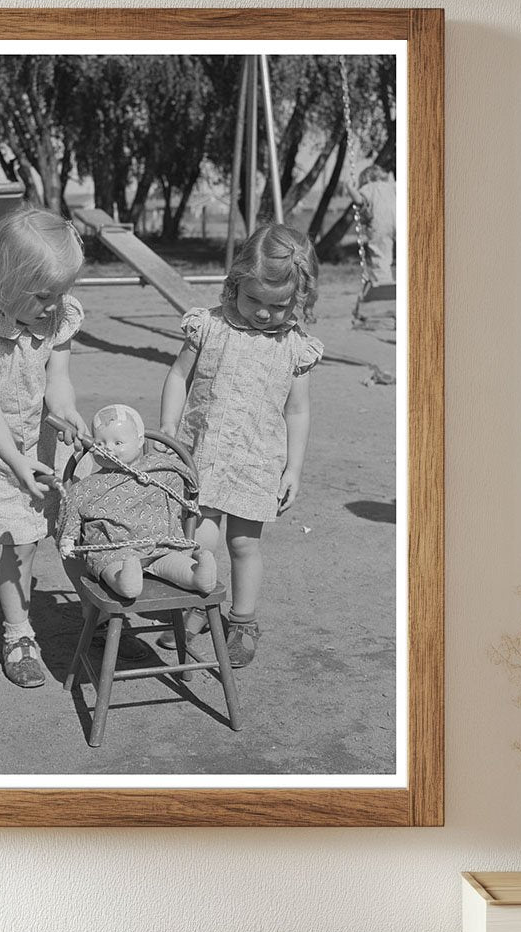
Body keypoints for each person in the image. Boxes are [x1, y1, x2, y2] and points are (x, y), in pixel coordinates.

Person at [158, 224, 324, 668]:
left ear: (299, 299)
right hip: (204, 453)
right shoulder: (208, 326)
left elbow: (298, 411)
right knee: (199, 538)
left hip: (257, 462)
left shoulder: (295, 348)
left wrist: (293, 469)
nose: (265, 314)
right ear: (235, 283)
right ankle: (199, 601)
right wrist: (169, 427)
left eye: (279, 305)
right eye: (254, 301)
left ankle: (244, 620)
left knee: (245, 544)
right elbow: (178, 376)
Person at [0, 205, 88, 688]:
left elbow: (58, 380)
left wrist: (65, 412)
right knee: (21, 543)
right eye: (44, 294)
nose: (56, 305)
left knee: (63, 526)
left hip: (41, 439)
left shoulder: (57, 317)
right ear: (6, 281)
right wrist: (18, 462)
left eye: (62, 292)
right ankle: (18, 633)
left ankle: (94, 606)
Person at [56, 404, 217, 600]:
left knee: (175, 561)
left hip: (160, 545)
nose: (108, 448)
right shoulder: (87, 486)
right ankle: (125, 580)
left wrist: (176, 462)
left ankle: (197, 576)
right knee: (110, 567)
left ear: (140, 441)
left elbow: (189, 478)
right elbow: (71, 509)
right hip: (114, 552)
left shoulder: (158, 468)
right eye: (100, 442)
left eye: (118, 443)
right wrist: (68, 538)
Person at [345, 165, 396, 285]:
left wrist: (349, 188)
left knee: (381, 253)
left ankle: (383, 281)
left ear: (366, 179)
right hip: (399, 219)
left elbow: (358, 200)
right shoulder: (391, 186)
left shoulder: (368, 187)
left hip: (380, 224)